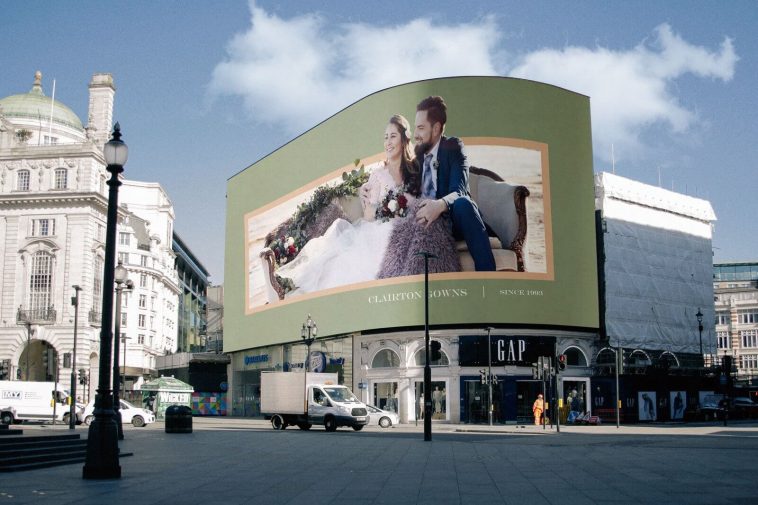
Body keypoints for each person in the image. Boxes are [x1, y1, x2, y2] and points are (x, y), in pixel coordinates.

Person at [276, 115, 417, 293]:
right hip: (379, 228)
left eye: (393, 136)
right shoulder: (378, 175)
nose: (388, 142)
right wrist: (381, 209)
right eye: (385, 137)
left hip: (407, 226)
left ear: (404, 139)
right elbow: (369, 216)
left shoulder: (415, 170)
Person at [412, 95, 496, 271]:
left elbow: (459, 190)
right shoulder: (417, 156)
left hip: (453, 220)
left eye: (420, 128)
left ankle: (488, 279)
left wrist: (438, 205)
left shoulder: (453, 147)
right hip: (426, 226)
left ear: (436, 129)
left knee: (463, 204)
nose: (415, 134)